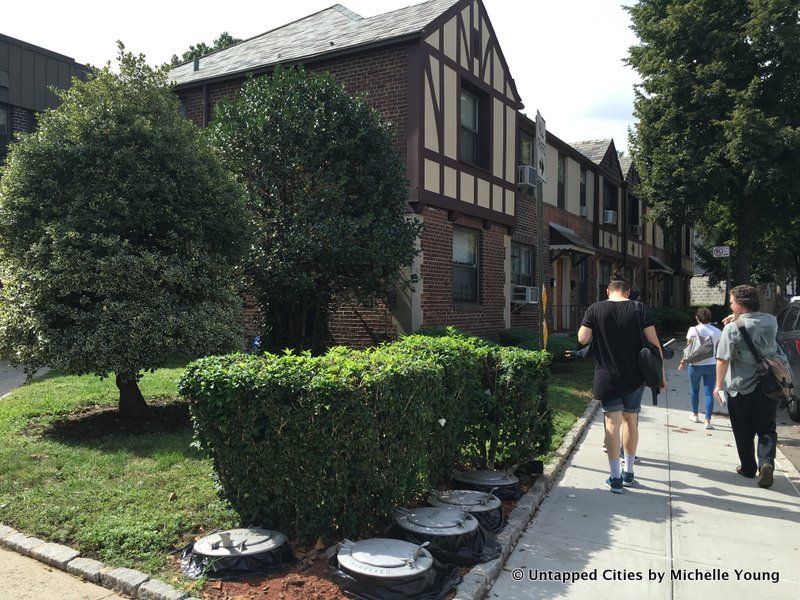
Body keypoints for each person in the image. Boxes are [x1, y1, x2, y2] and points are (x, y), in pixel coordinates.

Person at [577, 273, 666, 493]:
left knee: (611, 424)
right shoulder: (639, 309)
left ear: (608, 291)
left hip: (606, 377)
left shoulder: (594, 309)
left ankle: (615, 478)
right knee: (631, 421)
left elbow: (582, 339)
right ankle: (629, 473)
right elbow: (655, 345)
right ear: (627, 292)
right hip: (635, 377)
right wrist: (661, 377)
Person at [714, 285, 787, 488]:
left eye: (732, 301)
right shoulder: (771, 321)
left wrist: (718, 385)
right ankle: (766, 463)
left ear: (740, 304)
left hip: (741, 386)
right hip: (769, 385)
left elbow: (722, 359)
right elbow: (754, 322)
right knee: (766, 428)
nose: (730, 304)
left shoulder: (731, 329)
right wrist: (736, 316)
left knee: (742, 429)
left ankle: (748, 468)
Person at [678, 307, 722, 429]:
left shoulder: (692, 330)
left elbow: (689, 348)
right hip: (712, 365)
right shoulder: (717, 332)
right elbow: (718, 349)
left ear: (697, 318)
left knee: (694, 390)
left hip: (695, 365)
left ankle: (695, 415)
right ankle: (707, 421)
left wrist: (683, 361)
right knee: (709, 393)